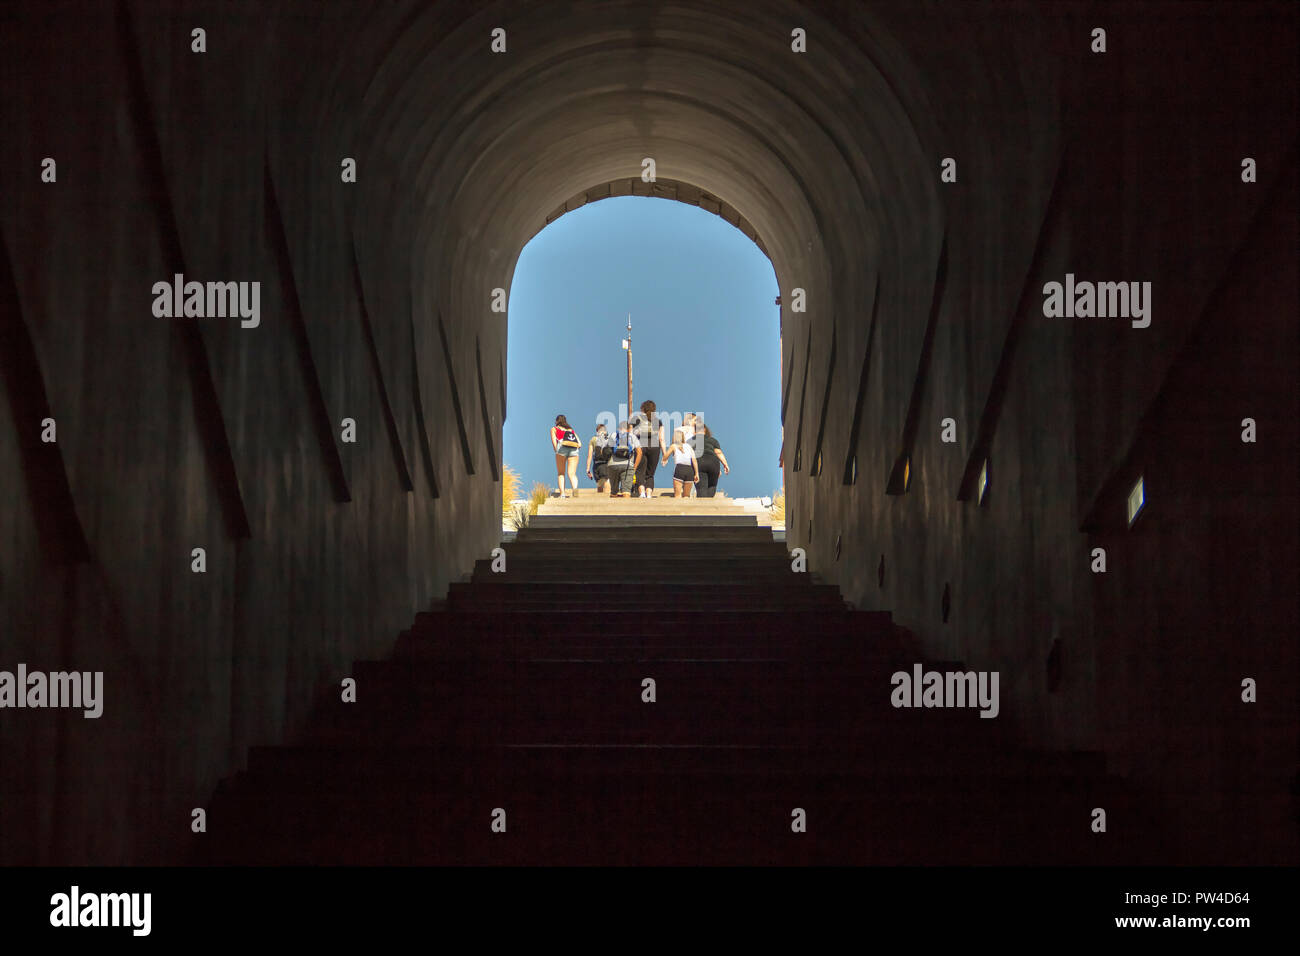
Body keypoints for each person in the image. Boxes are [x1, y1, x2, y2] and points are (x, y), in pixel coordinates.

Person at [630, 399, 665, 498]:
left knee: (639, 471)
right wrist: (665, 454)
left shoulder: (636, 419)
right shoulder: (658, 421)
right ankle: (649, 494)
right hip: (655, 447)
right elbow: (662, 439)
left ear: (642, 409)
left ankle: (641, 493)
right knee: (650, 474)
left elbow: (630, 435)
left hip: (641, 445)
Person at [605, 420, 642, 497]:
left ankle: (612, 506)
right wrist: (634, 467)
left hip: (612, 466)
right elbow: (639, 453)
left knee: (614, 492)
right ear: (629, 429)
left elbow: (604, 451)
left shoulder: (612, 435)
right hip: (627, 466)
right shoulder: (632, 436)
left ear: (619, 428)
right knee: (626, 492)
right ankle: (625, 507)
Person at [695, 422, 730, 497]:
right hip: (713, 462)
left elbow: (688, 454)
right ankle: (708, 503)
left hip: (700, 461)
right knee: (712, 486)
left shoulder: (692, 440)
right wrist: (725, 465)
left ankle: (703, 505)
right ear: (705, 430)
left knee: (701, 488)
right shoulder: (712, 440)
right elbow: (719, 453)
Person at [550, 414, 581, 497]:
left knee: (561, 473)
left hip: (562, 449)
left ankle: (562, 494)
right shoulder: (571, 430)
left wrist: (557, 451)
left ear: (557, 421)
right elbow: (580, 443)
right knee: (572, 474)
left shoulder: (554, 429)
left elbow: (554, 442)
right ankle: (575, 491)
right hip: (574, 449)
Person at [662, 428, 699, 498]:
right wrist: (696, 473)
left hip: (679, 469)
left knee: (677, 495)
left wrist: (664, 460)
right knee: (687, 496)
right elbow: (694, 461)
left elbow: (665, 456)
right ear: (683, 437)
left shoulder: (673, 446)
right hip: (689, 470)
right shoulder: (689, 446)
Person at [586, 423, 614, 493]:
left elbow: (589, 455)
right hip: (606, 465)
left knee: (599, 484)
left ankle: (600, 501)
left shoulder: (593, 439)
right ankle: (607, 502)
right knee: (607, 482)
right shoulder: (608, 439)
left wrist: (588, 469)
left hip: (596, 466)